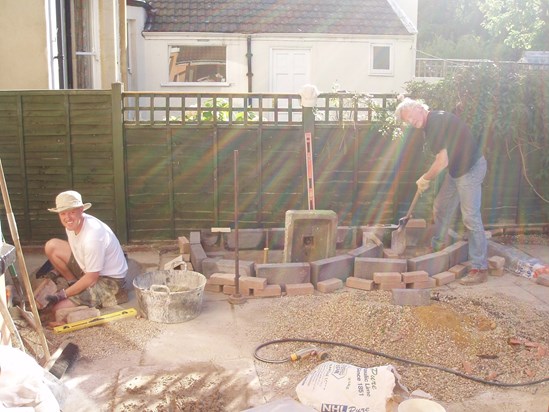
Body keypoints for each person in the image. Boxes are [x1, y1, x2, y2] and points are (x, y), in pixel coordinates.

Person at [394, 98, 488, 285]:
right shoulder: (432, 124)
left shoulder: (435, 122)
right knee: (441, 206)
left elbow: (442, 161)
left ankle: (480, 267)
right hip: (456, 171)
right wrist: (428, 178)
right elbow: (445, 159)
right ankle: (439, 244)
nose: (411, 122)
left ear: (420, 108)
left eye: (411, 116)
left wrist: (425, 179)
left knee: (470, 216)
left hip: (470, 169)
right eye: (407, 120)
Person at [43, 190, 128, 316]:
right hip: (88, 269)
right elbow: (76, 250)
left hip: (109, 281)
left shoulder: (93, 236)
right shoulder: (70, 226)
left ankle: (116, 296)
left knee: (58, 309)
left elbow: (92, 277)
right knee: (52, 246)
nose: (67, 218)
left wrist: (62, 295)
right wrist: (60, 273)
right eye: (63, 213)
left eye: (72, 212)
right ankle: (73, 282)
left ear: (81, 209)